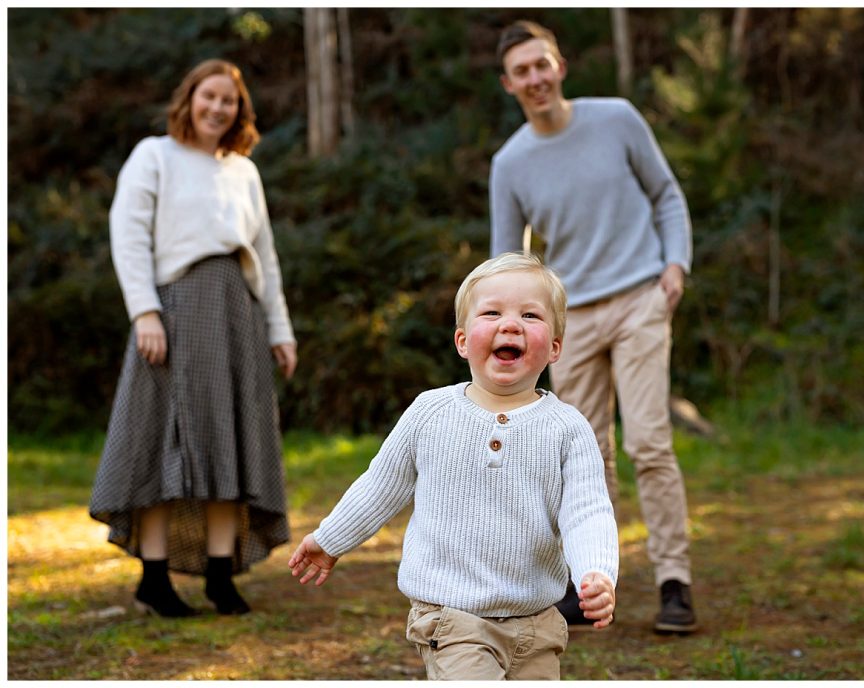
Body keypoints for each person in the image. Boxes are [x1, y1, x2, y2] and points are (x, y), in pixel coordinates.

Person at [288, 252, 618, 680]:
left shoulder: (568, 429)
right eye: (493, 312)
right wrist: (330, 538)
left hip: (538, 623)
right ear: (462, 340)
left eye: (531, 315)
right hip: (453, 617)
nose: (511, 324)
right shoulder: (430, 412)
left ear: (554, 347)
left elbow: (587, 511)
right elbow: (380, 486)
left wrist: (597, 572)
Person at [489, 20, 697, 635]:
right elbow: (510, 262)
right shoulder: (510, 163)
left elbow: (667, 195)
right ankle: (589, 584)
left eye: (542, 65)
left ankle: (674, 583)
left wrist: (675, 264)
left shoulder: (617, 119)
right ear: (508, 84)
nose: (535, 79)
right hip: (570, 320)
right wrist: (521, 327)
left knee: (650, 445)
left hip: (639, 299)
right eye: (521, 71)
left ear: (561, 66)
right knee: (587, 460)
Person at [89, 59, 298, 618]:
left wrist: (279, 329)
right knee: (162, 440)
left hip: (237, 310)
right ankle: (154, 580)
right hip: (173, 311)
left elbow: (266, 258)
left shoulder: (243, 171)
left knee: (230, 438)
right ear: (189, 99)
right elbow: (128, 237)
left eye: (228, 100)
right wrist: (144, 313)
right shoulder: (153, 155)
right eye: (209, 96)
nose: (217, 107)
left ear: (239, 109)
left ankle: (219, 577)